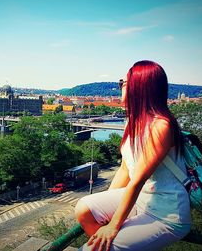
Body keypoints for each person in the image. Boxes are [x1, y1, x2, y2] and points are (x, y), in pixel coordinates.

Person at [75, 60, 191, 251]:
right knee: (84, 208)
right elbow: (125, 169)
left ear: (139, 87)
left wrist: (113, 226)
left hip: (166, 214)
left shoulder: (161, 126)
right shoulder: (134, 122)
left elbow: (136, 180)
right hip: (142, 201)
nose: (120, 86)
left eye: (123, 82)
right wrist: (106, 206)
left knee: (92, 250)